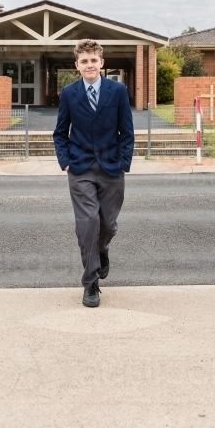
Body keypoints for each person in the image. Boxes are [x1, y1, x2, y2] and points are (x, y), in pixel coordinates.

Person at [53, 39, 134, 307]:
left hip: (112, 168)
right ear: (77, 65)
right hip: (80, 168)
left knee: (107, 225)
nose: (89, 65)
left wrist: (124, 162)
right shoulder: (69, 93)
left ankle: (102, 251)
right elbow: (60, 132)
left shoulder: (118, 90)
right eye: (84, 61)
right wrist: (65, 161)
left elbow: (127, 131)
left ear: (102, 63)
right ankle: (90, 283)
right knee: (88, 223)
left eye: (93, 60)